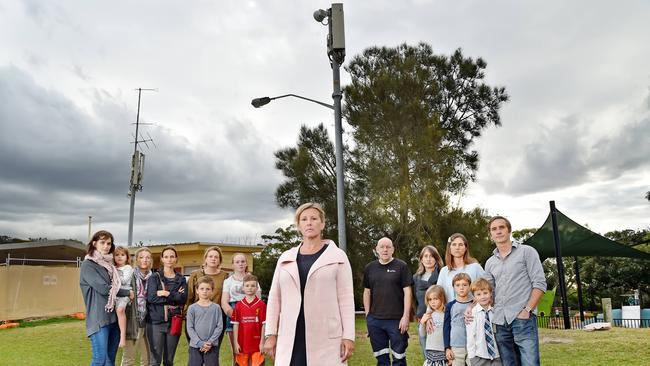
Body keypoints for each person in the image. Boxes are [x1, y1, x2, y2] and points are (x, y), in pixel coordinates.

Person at [264, 202, 355, 366]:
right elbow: (274, 298)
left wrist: (348, 336)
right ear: (298, 226)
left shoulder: (338, 257)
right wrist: (270, 334)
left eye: (314, 218)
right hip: (291, 335)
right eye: (304, 219)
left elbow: (346, 299)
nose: (309, 222)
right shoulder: (285, 258)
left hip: (325, 337)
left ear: (323, 223)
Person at [483, 216, 546, 366]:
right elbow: (487, 291)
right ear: (490, 234)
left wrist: (528, 310)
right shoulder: (490, 262)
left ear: (509, 230)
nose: (498, 231)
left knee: (530, 363)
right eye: (494, 229)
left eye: (501, 227)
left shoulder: (527, 252)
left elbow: (540, 283)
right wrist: (472, 306)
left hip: (523, 318)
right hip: (499, 321)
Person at [80, 230, 133, 366]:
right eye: (102, 242)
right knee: (100, 359)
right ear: (94, 243)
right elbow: (103, 288)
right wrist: (127, 293)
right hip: (99, 319)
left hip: (113, 319)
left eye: (109, 243)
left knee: (110, 361)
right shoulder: (88, 265)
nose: (106, 246)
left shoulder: (110, 266)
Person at [363, 237, 413, 366]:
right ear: (376, 250)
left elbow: (408, 291)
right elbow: (367, 292)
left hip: (396, 320)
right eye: (382, 247)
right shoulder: (370, 268)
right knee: (381, 358)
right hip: (375, 321)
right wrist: (368, 316)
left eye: (388, 247)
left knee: (399, 357)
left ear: (393, 249)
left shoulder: (401, 266)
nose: (385, 249)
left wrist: (405, 316)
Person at [146, 246, 188, 366]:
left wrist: (165, 293)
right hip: (156, 322)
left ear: (176, 259)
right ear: (162, 259)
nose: (169, 259)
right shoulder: (154, 277)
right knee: (155, 361)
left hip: (174, 322)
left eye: (172, 256)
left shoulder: (181, 279)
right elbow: (152, 298)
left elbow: (182, 299)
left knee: (169, 361)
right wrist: (174, 296)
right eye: (166, 257)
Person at [185, 246, 230, 346]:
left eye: (216, 257)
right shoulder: (196, 275)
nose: (213, 259)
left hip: (216, 316)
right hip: (197, 316)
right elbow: (189, 296)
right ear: (205, 259)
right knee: (196, 349)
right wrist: (187, 313)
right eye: (210, 256)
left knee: (213, 350)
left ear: (219, 260)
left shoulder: (224, 276)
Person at [222, 253, 262, 365]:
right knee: (237, 352)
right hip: (233, 314)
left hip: (251, 317)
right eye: (237, 262)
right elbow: (224, 303)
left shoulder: (253, 280)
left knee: (251, 351)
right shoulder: (228, 281)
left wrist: (248, 315)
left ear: (246, 263)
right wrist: (235, 316)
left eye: (243, 261)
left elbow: (258, 300)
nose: (240, 264)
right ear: (233, 264)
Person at [121, 247, 153, 366]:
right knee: (129, 358)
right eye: (141, 257)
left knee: (148, 359)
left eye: (147, 257)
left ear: (151, 260)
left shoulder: (154, 278)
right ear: (136, 260)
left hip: (149, 322)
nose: (144, 260)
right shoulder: (129, 276)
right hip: (133, 320)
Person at [436, 233, 485, 303]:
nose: (457, 247)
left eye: (460, 244)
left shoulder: (475, 267)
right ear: (449, 248)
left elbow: (486, 288)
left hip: (472, 311)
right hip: (451, 311)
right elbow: (437, 294)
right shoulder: (444, 271)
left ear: (465, 248)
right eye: (454, 244)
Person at [186, 276, 224, 366]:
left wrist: (209, 342)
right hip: (195, 345)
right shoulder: (192, 308)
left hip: (212, 345)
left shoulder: (216, 308)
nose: (204, 291)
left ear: (212, 291)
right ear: (197, 290)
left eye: (208, 289)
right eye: (202, 288)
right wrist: (200, 343)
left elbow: (219, 327)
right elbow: (190, 328)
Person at [413, 245, 443, 356]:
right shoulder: (416, 278)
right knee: (426, 353)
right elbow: (414, 299)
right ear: (421, 259)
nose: (428, 259)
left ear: (436, 258)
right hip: (423, 318)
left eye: (431, 256)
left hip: (440, 318)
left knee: (441, 353)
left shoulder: (442, 274)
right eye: (425, 256)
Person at [232, 274, 266, 366]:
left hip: (257, 343)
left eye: (253, 285)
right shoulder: (238, 305)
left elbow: (264, 325)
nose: (250, 288)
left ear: (256, 287)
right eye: (247, 285)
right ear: (243, 288)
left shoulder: (261, 305)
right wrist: (235, 343)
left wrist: (262, 343)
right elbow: (236, 325)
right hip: (242, 343)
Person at [466, 278, 502, 366]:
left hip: (497, 355)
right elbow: (470, 336)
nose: (483, 297)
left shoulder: (495, 312)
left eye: (485, 293)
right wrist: (472, 357)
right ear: (474, 297)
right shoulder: (472, 314)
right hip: (479, 356)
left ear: (490, 293)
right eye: (478, 294)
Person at [443, 273, 472, 366]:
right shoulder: (450, 306)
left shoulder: (474, 304)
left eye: (464, 285)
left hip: (473, 345)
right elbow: (446, 327)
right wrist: (447, 347)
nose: (461, 288)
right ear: (453, 287)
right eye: (458, 285)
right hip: (456, 346)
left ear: (470, 286)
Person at [418, 285, 447, 366]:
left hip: (443, 353)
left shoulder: (446, 315)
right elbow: (422, 334)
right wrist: (422, 323)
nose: (432, 302)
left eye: (435, 299)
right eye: (430, 299)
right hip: (430, 353)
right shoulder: (428, 316)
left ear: (442, 298)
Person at [114, 246, 134, 348]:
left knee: (120, 310)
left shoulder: (128, 268)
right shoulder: (113, 268)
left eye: (122, 255)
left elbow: (124, 280)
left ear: (126, 257)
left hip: (125, 293)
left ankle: (123, 336)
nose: (120, 257)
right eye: (117, 255)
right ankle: (116, 335)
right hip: (114, 295)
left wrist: (114, 276)